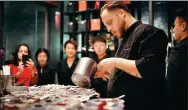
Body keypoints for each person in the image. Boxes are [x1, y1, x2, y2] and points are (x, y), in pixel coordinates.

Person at [96, 1, 168, 110]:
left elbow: (148, 69)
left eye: (109, 22)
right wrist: (111, 75)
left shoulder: (150, 32)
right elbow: (129, 72)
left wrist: (114, 62)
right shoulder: (124, 38)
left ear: (122, 13)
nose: (109, 29)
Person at [166, 9, 187, 110]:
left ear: (183, 26)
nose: (173, 30)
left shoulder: (179, 51)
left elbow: (172, 85)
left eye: (174, 26)